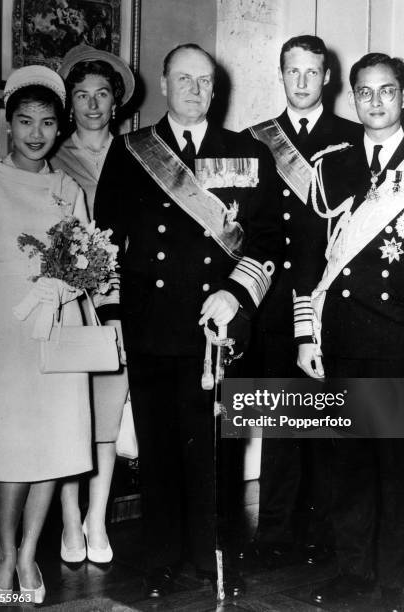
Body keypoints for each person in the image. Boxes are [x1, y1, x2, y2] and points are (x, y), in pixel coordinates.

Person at [93, 43, 282, 598]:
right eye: (183, 79)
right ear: (165, 82)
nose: (194, 90)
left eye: (204, 81)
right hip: (150, 322)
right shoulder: (131, 151)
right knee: (158, 448)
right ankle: (161, 557)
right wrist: (112, 317)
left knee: (213, 450)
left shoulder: (246, 153)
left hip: (216, 326)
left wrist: (235, 294)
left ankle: (210, 553)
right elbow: (105, 241)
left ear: (215, 88)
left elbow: (267, 236)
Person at [301, 53, 404, 611]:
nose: (375, 102)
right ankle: (352, 572)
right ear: (351, 98)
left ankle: (395, 583)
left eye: (386, 91)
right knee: (345, 466)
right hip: (343, 340)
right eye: (364, 93)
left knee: (399, 474)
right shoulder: (332, 167)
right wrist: (308, 335)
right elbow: (309, 261)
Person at [0, 66, 92, 603]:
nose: (36, 133)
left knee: (55, 443)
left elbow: (86, 262)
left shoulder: (69, 188)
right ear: (8, 124)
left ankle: (27, 553)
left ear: (59, 128)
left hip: (59, 320)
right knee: (11, 444)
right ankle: (3, 552)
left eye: (47, 123)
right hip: (2, 323)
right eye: (25, 122)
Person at [242, 35, 362, 566]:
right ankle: (274, 534)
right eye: (293, 72)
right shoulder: (253, 140)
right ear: (281, 74)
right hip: (276, 301)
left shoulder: (355, 139)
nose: (302, 82)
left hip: (329, 298)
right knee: (282, 419)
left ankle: (327, 533)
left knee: (330, 420)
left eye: (312, 73)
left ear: (328, 76)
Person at [51, 43, 135, 565]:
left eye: (102, 94)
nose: (92, 104)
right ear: (70, 103)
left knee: (105, 416)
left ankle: (97, 518)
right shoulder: (51, 157)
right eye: (81, 95)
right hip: (67, 303)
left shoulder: (139, 153)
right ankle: (67, 523)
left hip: (123, 305)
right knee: (66, 418)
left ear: (116, 102)